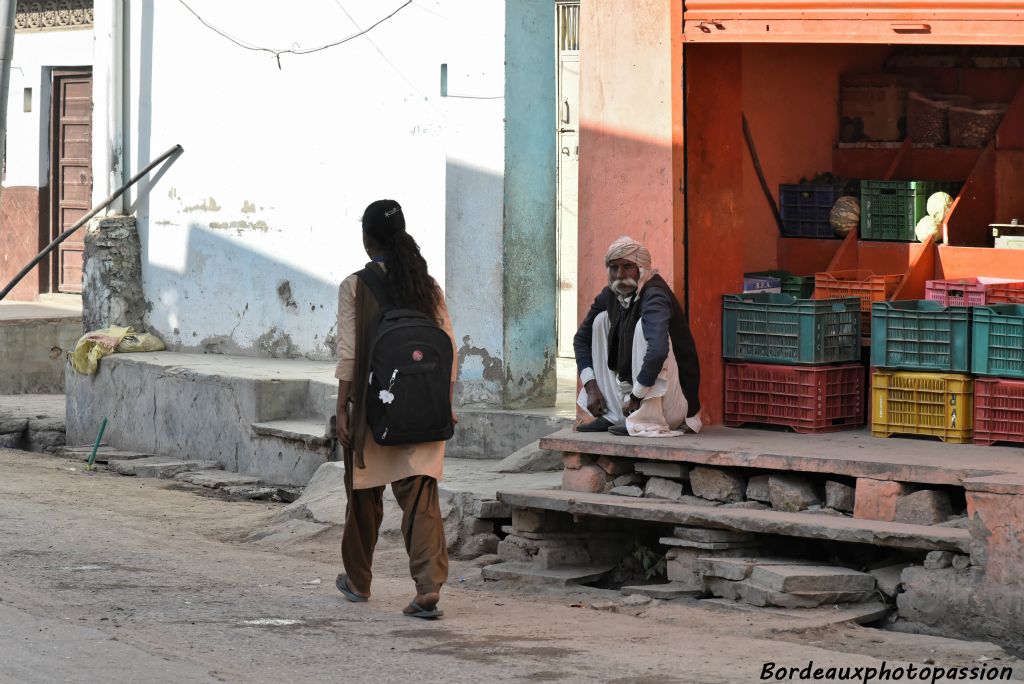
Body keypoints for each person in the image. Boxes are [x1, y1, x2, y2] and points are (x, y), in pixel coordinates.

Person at [333, 199, 456, 619]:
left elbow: (349, 354)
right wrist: (447, 404)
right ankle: (428, 587)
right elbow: (449, 349)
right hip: (425, 409)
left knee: (363, 495)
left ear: (368, 241)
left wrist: (343, 409)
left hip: (375, 408)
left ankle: (358, 579)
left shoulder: (355, 285)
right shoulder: (428, 285)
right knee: (421, 496)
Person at [573, 235, 703, 437]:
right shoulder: (611, 294)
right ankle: (614, 415)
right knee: (600, 320)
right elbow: (581, 340)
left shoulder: (655, 295)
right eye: (614, 268)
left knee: (644, 327)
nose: (620, 275)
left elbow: (658, 351)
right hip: (632, 403)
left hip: (673, 407)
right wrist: (591, 387)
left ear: (642, 269)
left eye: (627, 266)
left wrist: (636, 396)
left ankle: (646, 419)